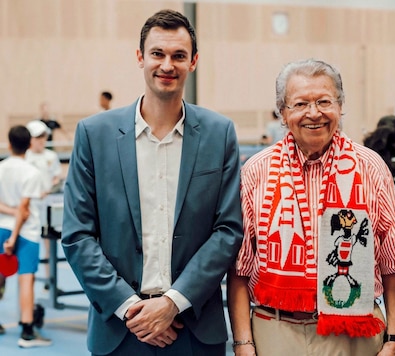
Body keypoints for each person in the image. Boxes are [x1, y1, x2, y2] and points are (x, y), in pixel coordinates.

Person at [61, 9, 243, 355]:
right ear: (140, 57)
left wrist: (173, 302)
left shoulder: (220, 133)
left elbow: (228, 230)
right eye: (157, 53)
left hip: (194, 327)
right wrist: (132, 309)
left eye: (179, 56)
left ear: (194, 62)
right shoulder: (94, 135)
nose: (167, 65)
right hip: (120, 328)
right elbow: (77, 234)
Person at [227, 58, 395, 356]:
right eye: (300, 104)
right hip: (274, 330)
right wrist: (243, 343)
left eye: (324, 101)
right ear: (283, 113)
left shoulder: (370, 167)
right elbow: (240, 267)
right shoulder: (256, 171)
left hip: (355, 330)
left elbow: (393, 262)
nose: (314, 113)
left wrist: (394, 339)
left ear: (339, 106)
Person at [0, 125, 51, 348]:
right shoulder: (32, 173)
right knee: (26, 278)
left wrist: (9, 225)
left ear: (9, 144)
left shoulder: (0, 168)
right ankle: (27, 333)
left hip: (1, 227)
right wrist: (14, 237)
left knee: (0, 275)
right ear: (29, 144)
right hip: (26, 232)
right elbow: (24, 208)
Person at [25, 120, 63, 293]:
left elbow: (56, 176)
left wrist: (51, 187)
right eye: (37, 137)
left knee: (50, 246)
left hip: (48, 207)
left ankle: (50, 280)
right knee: (28, 246)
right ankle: (27, 282)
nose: (41, 140)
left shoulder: (51, 156)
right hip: (30, 208)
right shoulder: (25, 157)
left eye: (43, 136)